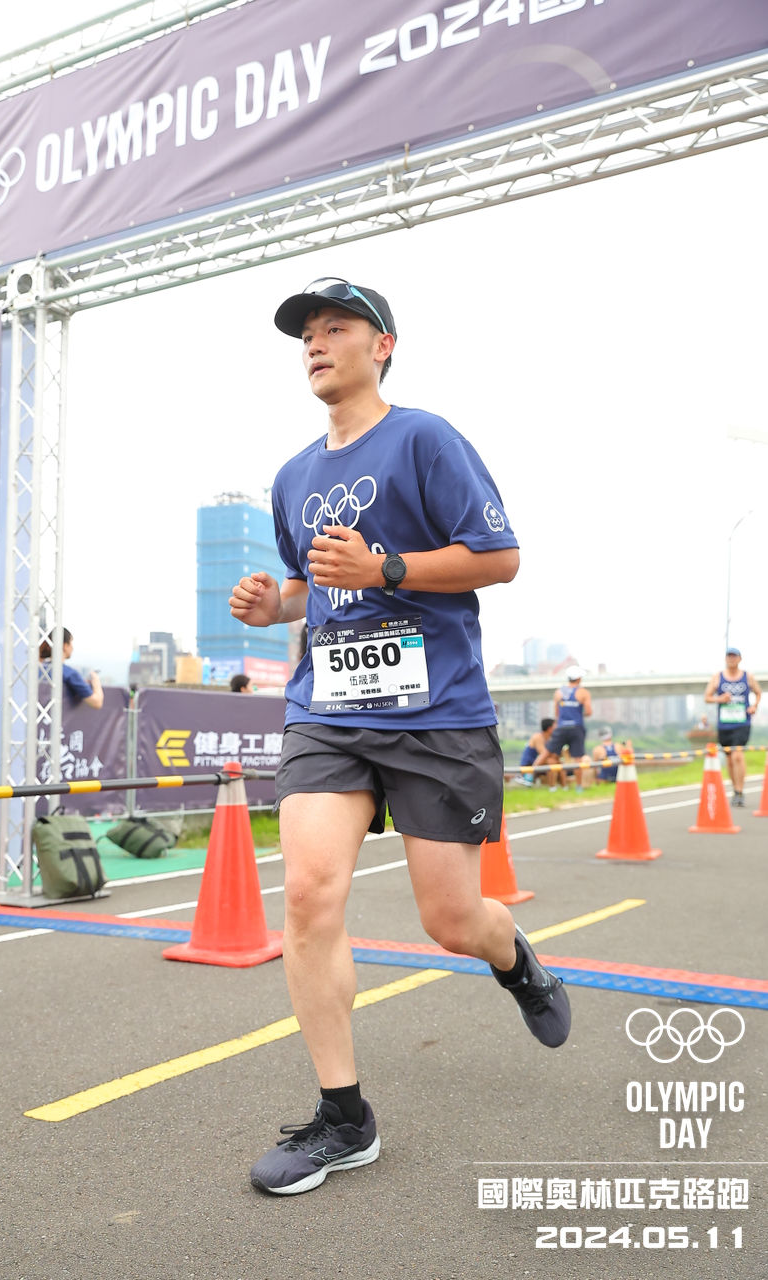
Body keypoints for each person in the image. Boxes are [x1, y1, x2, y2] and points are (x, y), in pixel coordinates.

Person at [229, 276, 571, 1197]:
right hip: (328, 712)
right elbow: (310, 584)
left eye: (335, 327)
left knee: (450, 920)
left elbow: (498, 557)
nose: (315, 342)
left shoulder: (425, 438)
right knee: (308, 895)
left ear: (382, 345)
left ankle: (513, 958)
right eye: (306, 333)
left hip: (435, 713)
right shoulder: (292, 476)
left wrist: (386, 566)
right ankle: (344, 1119)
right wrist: (273, 604)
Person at [704, 647, 762, 807]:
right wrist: (720, 699)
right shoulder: (718, 677)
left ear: (739, 659)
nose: (731, 659)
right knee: (729, 759)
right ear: (725, 659)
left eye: (734, 656)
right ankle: (735, 790)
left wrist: (754, 706)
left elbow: (758, 692)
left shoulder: (747, 676)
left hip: (742, 723)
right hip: (724, 724)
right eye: (729, 656)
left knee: (737, 755)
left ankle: (740, 791)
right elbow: (707, 697)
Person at [534, 665, 592, 790]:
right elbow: (588, 711)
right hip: (576, 727)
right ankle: (579, 787)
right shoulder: (583, 692)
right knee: (578, 758)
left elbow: (556, 713)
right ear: (579, 678)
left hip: (561, 727)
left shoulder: (558, 692)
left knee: (547, 752)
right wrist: (577, 713)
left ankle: (528, 775)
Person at [38, 628, 103, 709]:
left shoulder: (39, 668)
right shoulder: (69, 673)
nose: (72, 647)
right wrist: (96, 681)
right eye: (71, 643)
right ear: (65, 646)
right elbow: (97, 703)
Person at [518, 717, 555, 786]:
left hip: (538, 764)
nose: (557, 728)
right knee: (551, 761)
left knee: (556, 762)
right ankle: (527, 776)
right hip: (529, 764)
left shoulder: (549, 738)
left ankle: (562, 786)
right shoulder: (538, 737)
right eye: (555, 726)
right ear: (549, 728)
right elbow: (544, 754)